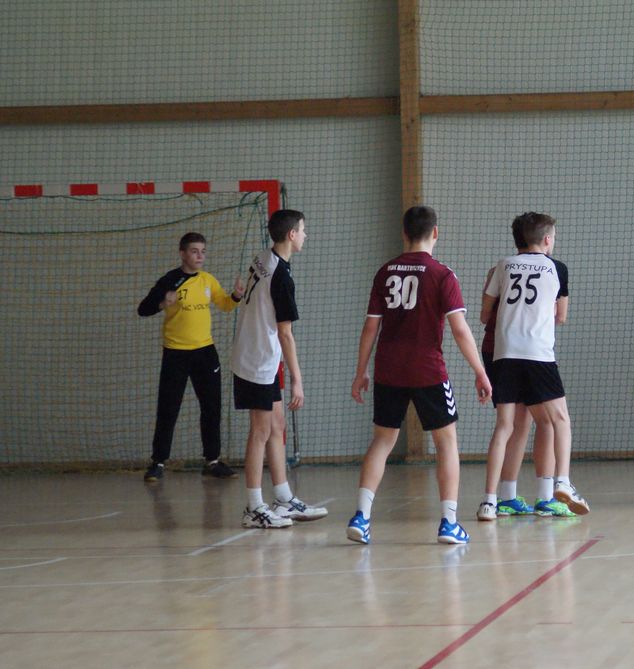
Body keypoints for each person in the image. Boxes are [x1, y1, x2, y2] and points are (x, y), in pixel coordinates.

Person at [348, 205, 491, 545]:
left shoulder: (385, 272)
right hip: (428, 370)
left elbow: (370, 328)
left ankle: (361, 517)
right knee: (446, 443)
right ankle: (449, 523)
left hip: (388, 369)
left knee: (382, 440)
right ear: (435, 233)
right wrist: (480, 371)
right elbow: (460, 330)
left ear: (404, 233)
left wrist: (360, 371)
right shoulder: (443, 274)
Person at [478, 212, 589, 521]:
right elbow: (561, 317)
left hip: (503, 352)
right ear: (548, 239)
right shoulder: (557, 268)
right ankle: (560, 483)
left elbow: (485, 315)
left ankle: (493, 500)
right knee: (556, 420)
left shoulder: (502, 266)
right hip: (538, 353)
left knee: (508, 426)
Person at [231, 209, 327, 528]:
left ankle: (283, 498)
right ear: (291, 235)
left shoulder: (264, 257)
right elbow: (286, 333)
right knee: (259, 431)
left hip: (260, 356)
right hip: (256, 361)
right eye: (303, 230)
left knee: (277, 424)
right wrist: (297, 380)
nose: (306, 235)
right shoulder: (281, 277)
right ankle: (254, 507)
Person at [138, 232, 243, 481]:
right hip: (175, 353)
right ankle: (158, 462)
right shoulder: (169, 280)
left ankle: (212, 461)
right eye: (194, 251)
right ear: (182, 253)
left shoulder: (208, 280)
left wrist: (236, 295)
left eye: (203, 252)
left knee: (211, 407)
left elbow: (225, 304)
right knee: (168, 408)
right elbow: (143, 309)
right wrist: (163, 303)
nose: (200, 256)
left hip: (205, 353)